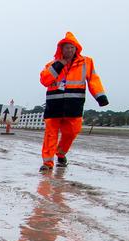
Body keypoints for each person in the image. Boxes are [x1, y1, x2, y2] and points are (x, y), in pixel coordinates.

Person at [38, 32, 108, 171]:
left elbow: (93, 79)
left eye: (71, 47)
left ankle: (61, 153)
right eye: (66, 48)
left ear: (76, 48)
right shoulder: (52, 65)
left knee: (71, 132)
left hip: (74, 106)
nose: (69, 50)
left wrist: (100, 96)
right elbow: (44, 80)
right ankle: (47, 164)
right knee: (51, 135)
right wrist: (59, 65)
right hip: (54, 106)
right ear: (61, 49)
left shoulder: (86, 63)